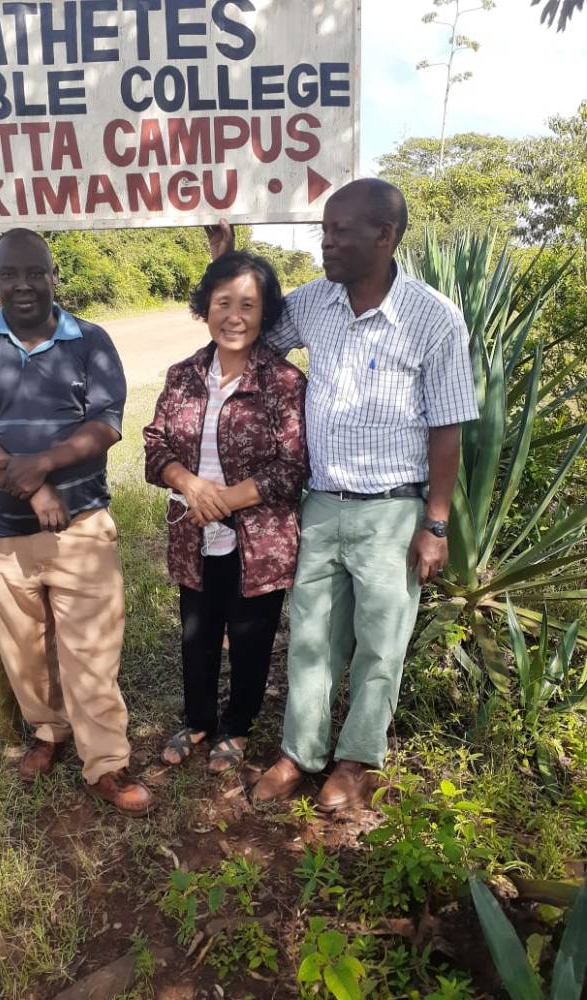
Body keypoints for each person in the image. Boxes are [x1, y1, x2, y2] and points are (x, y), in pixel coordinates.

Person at [207, 179, 478, 809]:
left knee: (380, 643)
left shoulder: (433, 318)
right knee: (312, 636)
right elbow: (247, 330)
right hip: (323, 502)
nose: (325, 242)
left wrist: (436, 523)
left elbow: (447, 427)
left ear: (384, 236)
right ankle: (299, 753)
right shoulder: (314, 302)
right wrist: (224, 260)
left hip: (394, 508)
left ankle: (356, 760)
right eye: (324, 230)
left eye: (339, 231)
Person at [0, 227, 152, 816]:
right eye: (10, 274)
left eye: (36, 272)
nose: (24, 285)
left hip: (81, 526)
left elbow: (105, 425)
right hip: (0, 533)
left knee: (92, 651)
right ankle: (48, 731)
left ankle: (105, 763)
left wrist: (45, 464)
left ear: (55, 276)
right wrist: (34, 487)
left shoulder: (91, 341)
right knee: (25, 651)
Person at [143, 251, 308, 774]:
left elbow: (292, 467)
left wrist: (220, 502)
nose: (234, 317)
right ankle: (198, 721)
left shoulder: (283, 382)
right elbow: (155, 445)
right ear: (205, 307)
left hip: (259, 538)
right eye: (223, 303)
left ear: (266, 313)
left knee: (251, 637)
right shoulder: (183, 375)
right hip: (193, 533)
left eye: (248, 305)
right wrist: (190, 485)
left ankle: (237, 727)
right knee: (196, 633)